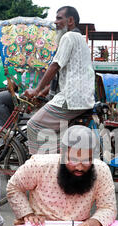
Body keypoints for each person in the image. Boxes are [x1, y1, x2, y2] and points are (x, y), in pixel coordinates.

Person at [7, 126, 118, 226]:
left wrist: (94, 223)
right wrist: (26, 214)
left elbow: (108, 207)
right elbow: (14, 187)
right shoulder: (40, 165)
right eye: (73, 159)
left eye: (86, 160)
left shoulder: (101, 170)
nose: (79, 167)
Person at [23, 6, 95, 155]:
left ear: (70, 20)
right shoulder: (80, 40)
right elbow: (64, 76)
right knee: (51, 132)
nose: (55, 22)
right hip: (82, 98)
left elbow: (55, 65)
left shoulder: (68, 37)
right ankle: (57, 154)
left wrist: (35, 90)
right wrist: (42, 92)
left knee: (33, 125)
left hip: (71, 99)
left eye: (59, 18)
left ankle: (39, 164)